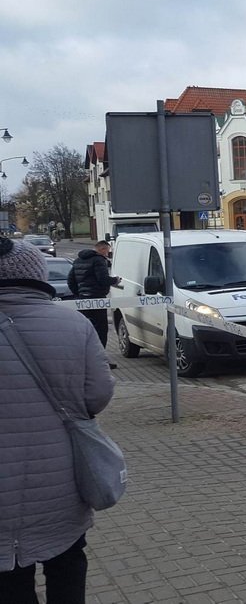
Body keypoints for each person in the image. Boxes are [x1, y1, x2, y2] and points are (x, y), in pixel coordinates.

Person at [0, 236, 115, 604]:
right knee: (66, 563)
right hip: (59, 480)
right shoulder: (73, 325)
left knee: (10, 582)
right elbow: (98, 395)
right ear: (36, 274)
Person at [67, 241, 121, 369]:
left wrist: (80, 294)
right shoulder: (98, 260)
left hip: (82, 301)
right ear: (102, 249)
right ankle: (100, 360)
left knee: (85, 331)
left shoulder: (78, 260)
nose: (108, 253)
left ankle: (84, 359)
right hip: (97, 300)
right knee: (101, 330)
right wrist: (115, 280)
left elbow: (70, 280)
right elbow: (103, 279)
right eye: (107, 251)